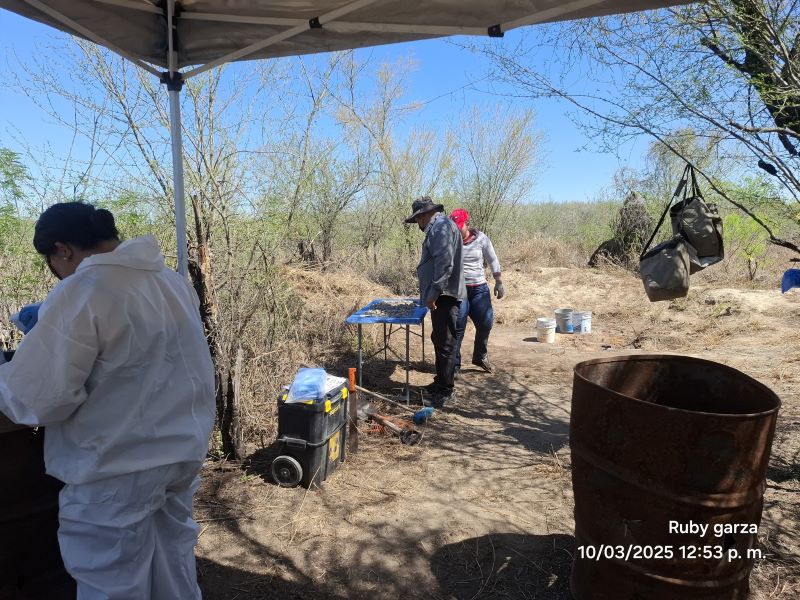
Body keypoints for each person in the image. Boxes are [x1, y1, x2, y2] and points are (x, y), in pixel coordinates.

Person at [0, 202, 215, 599]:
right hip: (179, 454)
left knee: (111, 582)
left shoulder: (84, 288)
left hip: (115, 470)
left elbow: (37, 398)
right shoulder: (169, 280)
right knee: (172, 569)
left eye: (52, 260)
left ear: (63, 249)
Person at [405, 196, 465, 408]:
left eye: (417, 220)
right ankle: (440, 383)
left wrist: (434, 292)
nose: (418, 225)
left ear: (422, 215)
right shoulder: (441, 226)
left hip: (445, 295)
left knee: (446, 343)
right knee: (440, 339)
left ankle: (446, 392)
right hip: (443, 294)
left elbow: (444, 262)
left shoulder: (440, 227)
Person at [450, 209, 504, 374]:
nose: (458, 229)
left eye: (460, 225)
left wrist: (498, 281)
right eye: (455, 226)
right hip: (460, 290)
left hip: (479, 288)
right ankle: (454, 365)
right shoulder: (451, 240)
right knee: (458, 327)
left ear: (467, 223)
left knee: (486, 322)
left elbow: (492, 258)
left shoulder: (481, 238)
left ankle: (480, 356)